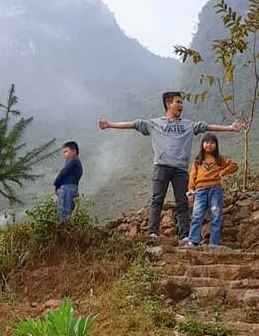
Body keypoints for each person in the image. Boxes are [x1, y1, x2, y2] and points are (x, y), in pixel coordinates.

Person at [98, 91, 240, 240]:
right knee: (157, 199)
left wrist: (230, 127)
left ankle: (184, 235)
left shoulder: (188, 125)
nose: (181, 105)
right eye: (178, 102)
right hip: (161, 166)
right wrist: (109, 125)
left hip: (180, 169)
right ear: (168, 104)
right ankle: (152, 232)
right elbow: (133, 124)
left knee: (182, 202)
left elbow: (207, 127)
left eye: (181, 103)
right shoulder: (154, 124)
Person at [187, 134, 238, 246]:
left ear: (216, 145)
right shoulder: (198, 160)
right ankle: (193, 240)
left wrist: (224, 171)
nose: (209, 145)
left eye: (212, 143)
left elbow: (234, 165)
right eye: (206, 142)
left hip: (215, 189)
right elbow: (192, 175)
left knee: (215, 215)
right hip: (200, 190)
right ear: (202, 144)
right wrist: (191, 189)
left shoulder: (220, 158)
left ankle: (213, 243)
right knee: (197, 214)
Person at [52, 141, 83, 223]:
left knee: (63, 211)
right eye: (63, 152)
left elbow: (63, 173)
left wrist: (55, 185)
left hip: (67, 189)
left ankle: (62, 230)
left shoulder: (73, 161)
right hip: (71, 188)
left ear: (74, 151)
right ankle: (65, 229)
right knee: (66, 211)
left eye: (66, 151)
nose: (64, 154)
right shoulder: (72, 161)